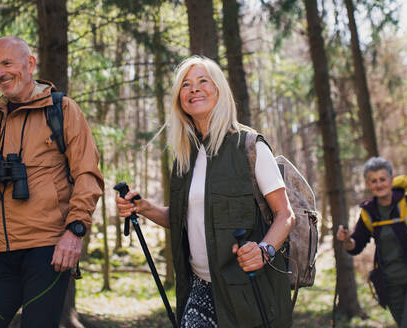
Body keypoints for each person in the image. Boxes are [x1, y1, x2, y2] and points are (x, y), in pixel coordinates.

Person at [116, 56, 295, 328]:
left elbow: (285, 215)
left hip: (248, 290)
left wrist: (264, 249)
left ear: (219, 90)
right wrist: (144, 208)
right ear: (179, 99)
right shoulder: (185, 157)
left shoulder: (249, 146)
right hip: (199, 286)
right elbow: (185, 218)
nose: (194, 89)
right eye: (186, 85)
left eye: (203, 81)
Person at [0, 36, 104, 328]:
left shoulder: (62, 110)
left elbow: (88, 174)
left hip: (47, 250)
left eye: (6, 63)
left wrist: (75, 231)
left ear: (30, 63)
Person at [337, 157, 407, 327]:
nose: (379, 184)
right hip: (390, 286)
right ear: (368, 184)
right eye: (374, 181)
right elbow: (356, 245)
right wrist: (347, 240)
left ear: (391, 180)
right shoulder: (368, 212)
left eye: (382, 179)